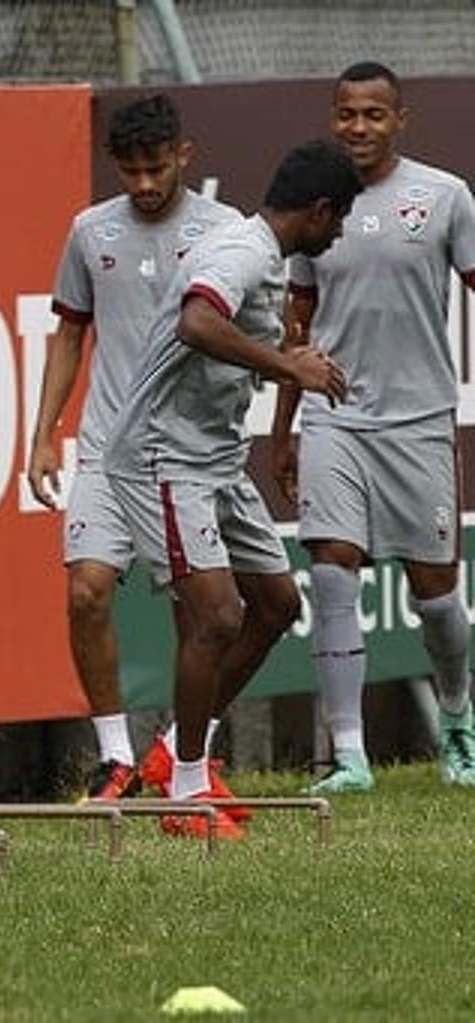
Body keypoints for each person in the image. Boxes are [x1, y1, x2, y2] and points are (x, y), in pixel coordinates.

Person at [103, 139, 359, 840]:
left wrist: (286, 365)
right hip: (161, 455)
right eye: (337, 222)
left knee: (275, 604)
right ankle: (185, 792)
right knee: (216, 616)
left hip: (213, 456)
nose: (336, 236)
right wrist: (286, 367)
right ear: (319, 209)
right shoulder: (241, 252)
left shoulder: (259, 253)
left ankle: (174, 755)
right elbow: (197, 321)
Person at [26, 94, 242, 802]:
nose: (144, 185)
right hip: (107, 451)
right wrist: (43, 435)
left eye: (156, 168)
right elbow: (69, 334)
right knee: (85, 591)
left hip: (183, 455)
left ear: (183, 155)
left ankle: (185, 755)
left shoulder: (224, 232)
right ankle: (114, 756)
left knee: (198, 609)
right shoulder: (90, 231)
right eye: (130, 172)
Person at [268, 62, 475, 793]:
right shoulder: (314, 202)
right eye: (347, 114)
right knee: (330, 569)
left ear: (400, 120)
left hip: (418, 421)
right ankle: (350, 755)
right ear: (333, 118)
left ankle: (458, 719)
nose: (359, 127)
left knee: (436, 593)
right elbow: (298, 321)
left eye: (374, 115)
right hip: (335, 415)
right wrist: (285, 426)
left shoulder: (445, 197)